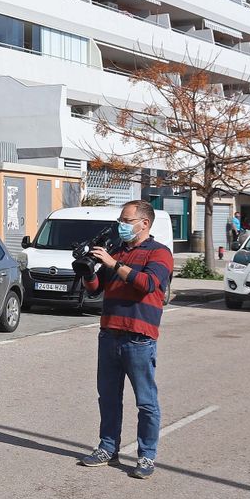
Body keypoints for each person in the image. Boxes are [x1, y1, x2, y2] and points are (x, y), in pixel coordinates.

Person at [77, 200, 175, 479]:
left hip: (138, 339)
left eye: (126, 220)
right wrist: (87, 273)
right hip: (109, 334)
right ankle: (107, 447)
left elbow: (147, 284)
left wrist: (114, 263)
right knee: (108, 397)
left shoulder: (159, 253)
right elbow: (97, 290)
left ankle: (146, 456)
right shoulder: (117, 252)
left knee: (145, 402)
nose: (121, 225)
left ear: (144, 223)